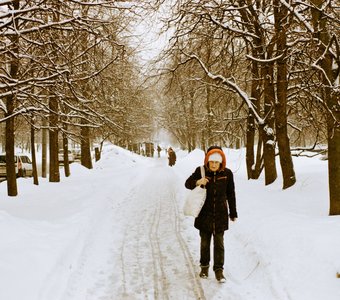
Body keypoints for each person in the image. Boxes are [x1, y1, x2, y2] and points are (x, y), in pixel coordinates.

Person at [185, 146, 238, 283]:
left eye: (217, 162)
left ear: (221, 162)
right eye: (211, 162)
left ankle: (219, 270)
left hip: (220, 215)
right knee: (204, 243)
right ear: (207, 161)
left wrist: (233, 212)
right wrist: (198, 182)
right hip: (204, 215)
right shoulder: (201, 171)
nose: (214, 164)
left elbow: (231, 194)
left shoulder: (227, 174)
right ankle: (204, 267)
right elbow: (187, 184)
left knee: (219, 244)